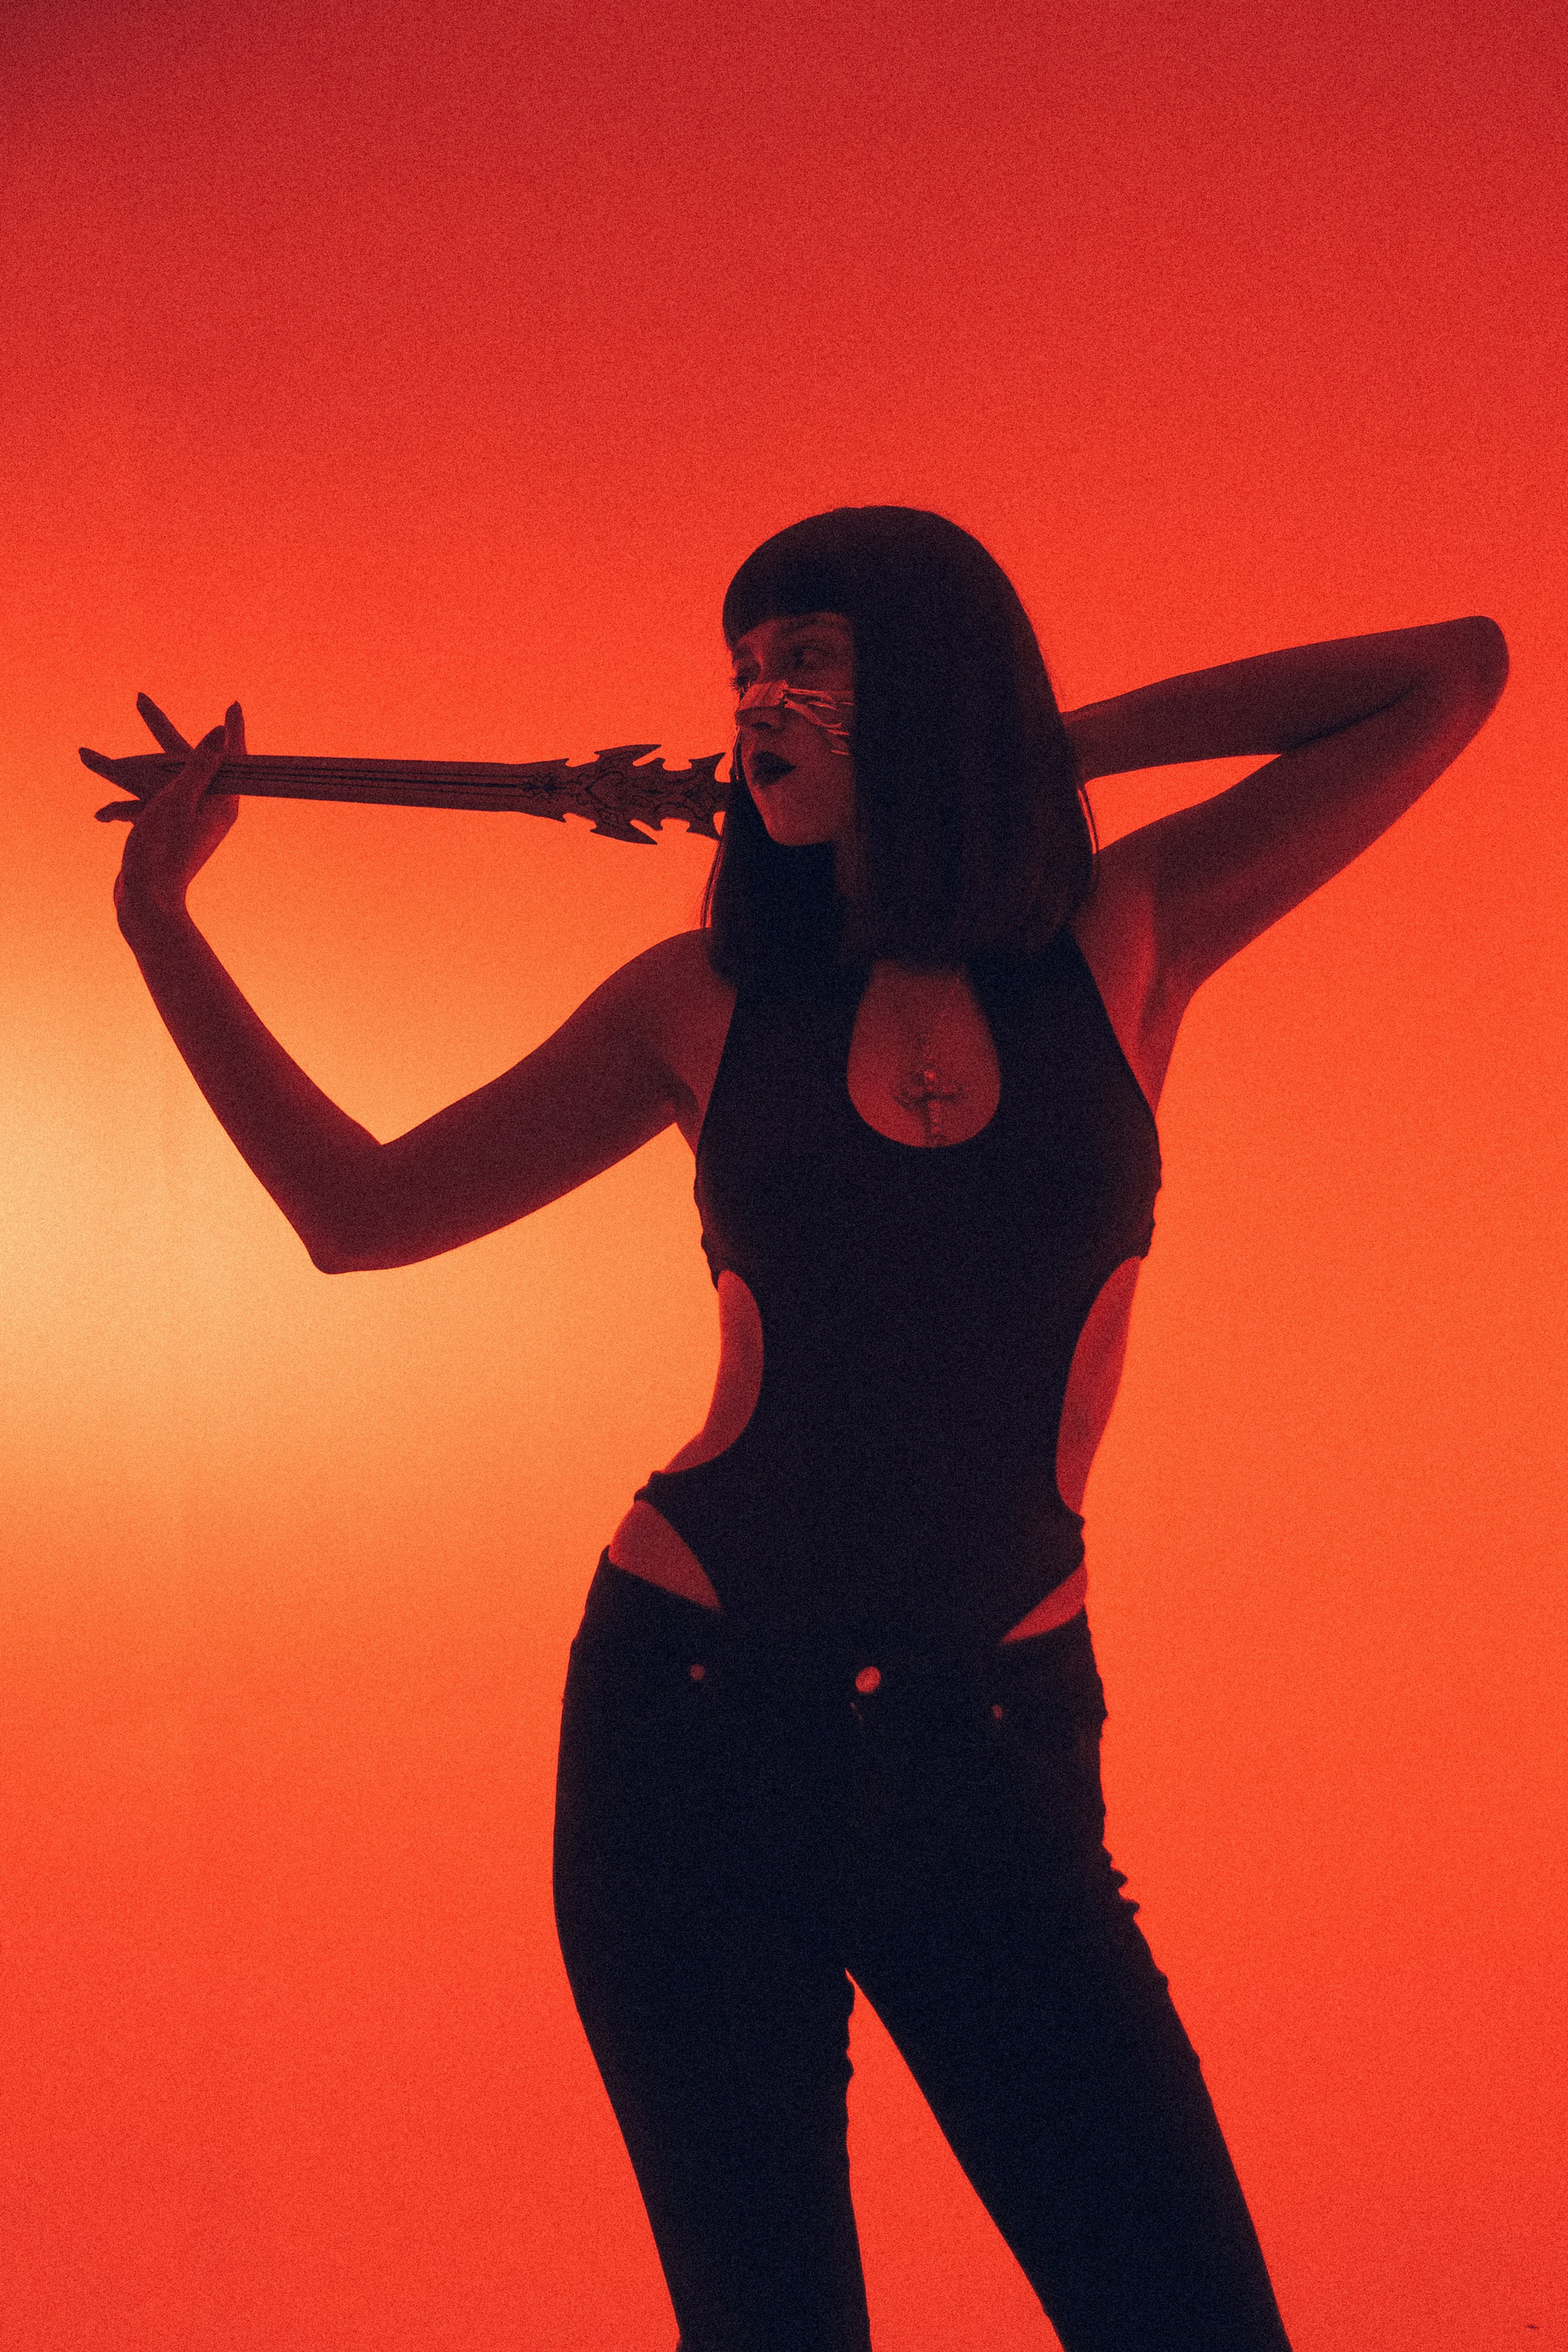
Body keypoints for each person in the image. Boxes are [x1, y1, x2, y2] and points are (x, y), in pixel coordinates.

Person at [109, 506, 1508, 2352]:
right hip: (690, 1735)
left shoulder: (1128, 935)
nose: (759, 703)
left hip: (991, 1751)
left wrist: (1030, 753)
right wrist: (158, 924)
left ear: (929, 688)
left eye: (812, 662)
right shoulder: (695, 1004)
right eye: (743, 672)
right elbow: (358, 1215)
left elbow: (1449, 675)